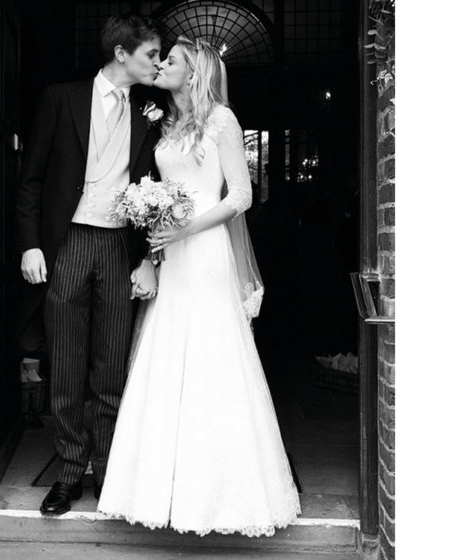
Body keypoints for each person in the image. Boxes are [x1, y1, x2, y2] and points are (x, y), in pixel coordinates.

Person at [97, 36, 301, 537]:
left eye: (171, 61)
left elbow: (242, 196)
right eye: (160, 59)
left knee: (213, 357)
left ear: (194, 73)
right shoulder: (163, 123)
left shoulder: (222, 121)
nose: (162, 64)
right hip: (172, 254)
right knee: (167, 356)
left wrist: (184, 230)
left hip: (205, 253)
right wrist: (156, 226)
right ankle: (155, 489)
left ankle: (220, 495)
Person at [15, 15, 163, 516]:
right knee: (66, 364)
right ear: (121, 53)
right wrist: (31, 244)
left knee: (110, 363)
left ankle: (105, 469)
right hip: (69, 242)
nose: (157, 64)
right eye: (150, 55)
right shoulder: (61, 97)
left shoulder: (150, 110)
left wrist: (149, 256)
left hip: (119, 245)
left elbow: (158, 191)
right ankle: (70, 471)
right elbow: (31, 178)